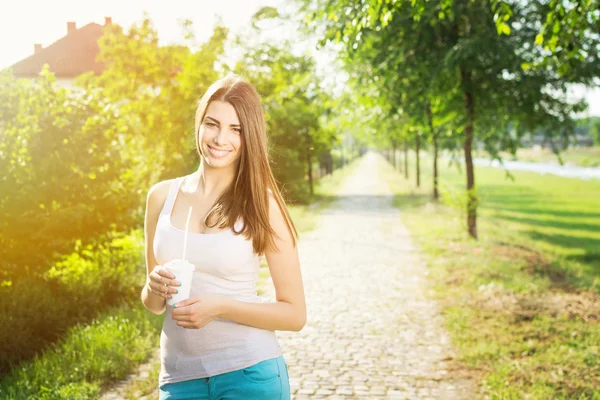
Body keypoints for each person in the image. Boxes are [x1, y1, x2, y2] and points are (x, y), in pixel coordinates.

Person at [141, 74, 306, 400]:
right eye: (212, 123)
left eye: (236, 129)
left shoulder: (261, 203)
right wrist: (153, 286)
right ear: (199, 124)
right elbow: (154, 304)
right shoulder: (161, 197)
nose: (219, 138)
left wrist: (220, 307)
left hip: (249, 374)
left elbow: (295, 314)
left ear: (250, 136)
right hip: (178, 380)